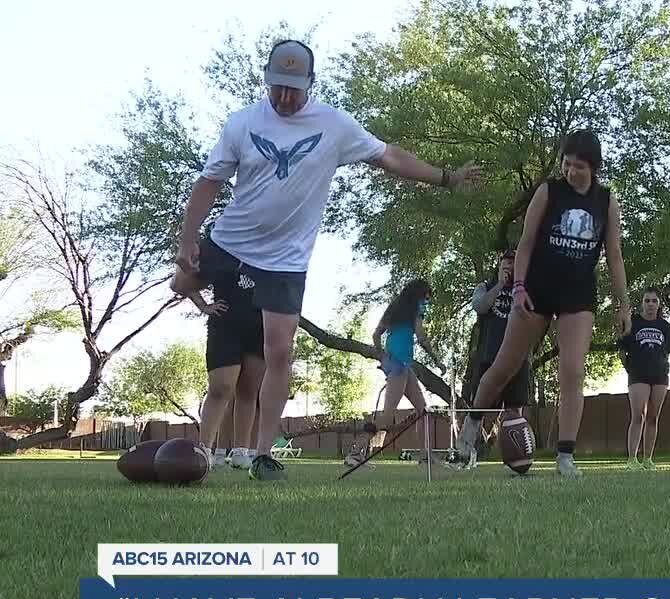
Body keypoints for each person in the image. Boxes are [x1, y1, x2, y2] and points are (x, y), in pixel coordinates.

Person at [170, 39, 481, 481]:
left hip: (284, 262)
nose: (284, 97)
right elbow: (208, 182)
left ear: (311, 84)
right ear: (267, 80)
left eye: (294, 89)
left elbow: (389, 156)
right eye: (277, 87)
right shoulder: (242, 124)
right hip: (231, 243)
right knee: (180, 284)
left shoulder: (334, 126)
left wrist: (446, 178)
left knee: (280, 352)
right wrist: (187, 242)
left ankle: (261, 454)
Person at [455, 130, 629, 477]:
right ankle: (468, 435)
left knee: (573, 371)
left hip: (577, 295)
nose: (570, 171)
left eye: (577, 166)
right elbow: (526, 243)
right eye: (565, 164)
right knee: (504, 366)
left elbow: (615, 258)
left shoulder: (606, 201)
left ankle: (565, 457)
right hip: (536, 289)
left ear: (593, 167)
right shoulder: (548, 191)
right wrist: (518, 288)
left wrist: (623, 305)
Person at [180, 253, 266, 470]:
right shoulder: (220, 252)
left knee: (249, 391)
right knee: (222, 387)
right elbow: (183, 283)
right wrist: (204, 306)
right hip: (225, 327)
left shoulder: (269, 251)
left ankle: (241, 452)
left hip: (260, 328)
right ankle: (204, 451)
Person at [365, 279, 438, 466]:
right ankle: (357, 452)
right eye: (427, 298)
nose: (427, 302)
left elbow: (376, 334)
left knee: (424, 411)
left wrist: (382, 357)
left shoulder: (395, 307)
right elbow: (421, 337)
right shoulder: (416, 307)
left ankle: (425, 456)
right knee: (388, 415)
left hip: (398, 364)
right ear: (420, 295)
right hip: (399, 365)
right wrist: (437, 359)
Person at [464, 249, 530, 450]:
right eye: (506, 263)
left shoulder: (526, 289)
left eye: (514, 263)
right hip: (489, 357)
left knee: (514, 410)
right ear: (499, 266)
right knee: (479, 407)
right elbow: (479, 307)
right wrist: (500, 285)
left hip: (517, 358)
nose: (510, 266)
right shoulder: (485, 286)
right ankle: (466, 449)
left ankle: (516, 453)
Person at [619, 288, 670, 471]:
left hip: (660, 376)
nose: (650, 304)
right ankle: (631, 459)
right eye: (647, 301)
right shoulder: (633, 323)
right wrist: (629, 368)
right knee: (638, 415)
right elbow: (622, 349)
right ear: (642, 303)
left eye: (654, 301)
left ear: (658, 304)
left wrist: (664, 368)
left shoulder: (665, 326)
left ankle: (648, 459)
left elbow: (667, 352)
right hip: (638, 375)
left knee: (653, 417)